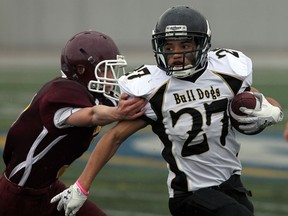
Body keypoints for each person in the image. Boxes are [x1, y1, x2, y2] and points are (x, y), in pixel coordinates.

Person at [51, 6, 283, 216]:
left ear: (201, 45)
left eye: (185, 46)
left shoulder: (227, 73)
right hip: (190, 193)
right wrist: (82, 185)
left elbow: (259, 100)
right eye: (169, 47)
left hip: (231, 183)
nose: (176, 54)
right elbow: (114, 137)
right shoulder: (154, 88)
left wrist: (272, 111)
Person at [0, 30, 147, 216]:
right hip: (20, 196)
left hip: (48, 189)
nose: (111, 76)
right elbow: (92, 115)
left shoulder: (88, 92)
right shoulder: (60, 93)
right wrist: (118, 112)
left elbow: (113, 104)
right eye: (104, 69)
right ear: (81, 70)